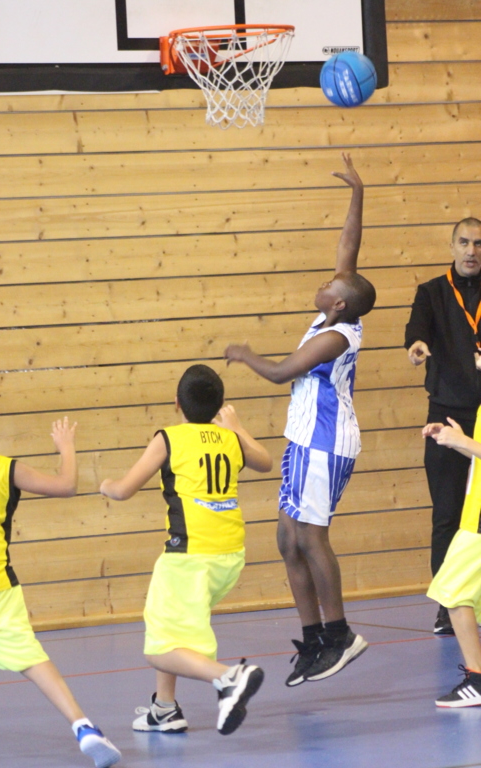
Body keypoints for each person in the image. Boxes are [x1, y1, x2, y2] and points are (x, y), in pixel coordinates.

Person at [224, 153, 375, 686]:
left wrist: (245, 354)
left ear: (338, 306)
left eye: (331, 286)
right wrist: (357, 193)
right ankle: (312, 640)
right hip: (305, 438)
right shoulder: (338, 308)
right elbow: (348, 249)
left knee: (311, 537)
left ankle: (340, 635)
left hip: (326, 442)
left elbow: (280, 372)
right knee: (287, 540)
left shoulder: (335, 336)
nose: (327, 283)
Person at [100, 364, 272, 735]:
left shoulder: (169, 438)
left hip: (190, 557)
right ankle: (164, 709)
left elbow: (125, 489)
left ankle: (229, 677)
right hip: (230, 556)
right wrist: (237, 428)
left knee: (157, 648)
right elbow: (265, 461)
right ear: (220, 406)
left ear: (176, 403)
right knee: (171, 628)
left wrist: (106, 484)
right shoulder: (230, 438)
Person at [0, 395, 121, 768]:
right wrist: (66, 447)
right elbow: (66, 485)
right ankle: (84, 727)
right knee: (32, 658)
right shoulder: (6, 468)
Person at [405, 217, 481, 635]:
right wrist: (417, 345)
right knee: (447, 514)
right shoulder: (432, 292)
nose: (472, 251)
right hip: (447, 414)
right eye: (464, 242)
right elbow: (416, 329)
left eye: (479, 243)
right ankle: (447, 607)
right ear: (452, 247)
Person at [424, 412, 481, 707]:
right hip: (473, 517)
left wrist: (464, 441)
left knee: (453, 589)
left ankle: (478, 681)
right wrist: (456, 442)